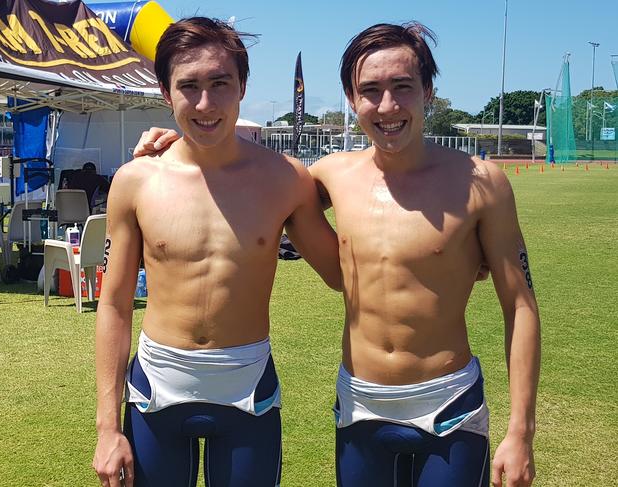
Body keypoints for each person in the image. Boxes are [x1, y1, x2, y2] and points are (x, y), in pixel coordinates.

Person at [134, 21, 541, 487]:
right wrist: (167, 146)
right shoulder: (328, 176)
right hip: (360, 406)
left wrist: (521, 431)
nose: (387, 106)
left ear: (428, 91)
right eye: (370, 90)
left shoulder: (483, 184)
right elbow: (235, 185)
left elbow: (522, 307)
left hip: (449, 401)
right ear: (352, 99)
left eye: (402, 87)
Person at [92, 17, 340, 487]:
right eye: (189, 86)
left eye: (220, 83)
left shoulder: (285, 180)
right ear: (166, 93)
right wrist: (107, 427)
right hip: (155, 392)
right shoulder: (135, 181)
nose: (205, 104)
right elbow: (114, 305)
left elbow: (341, 274)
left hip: (247, 390)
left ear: (242, 87)